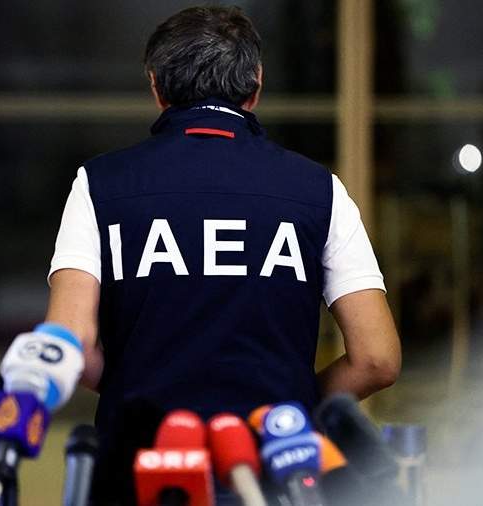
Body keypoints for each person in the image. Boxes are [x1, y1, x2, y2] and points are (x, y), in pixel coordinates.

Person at [44, 6, 400, 503]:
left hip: (139, 471)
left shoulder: (98, 184)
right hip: (275, 473)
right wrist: (289, 407)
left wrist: (139, 389)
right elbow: (378, 359)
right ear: (256, 83)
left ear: (156, 86)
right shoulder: (321, 190)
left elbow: (72, 347)